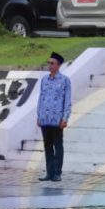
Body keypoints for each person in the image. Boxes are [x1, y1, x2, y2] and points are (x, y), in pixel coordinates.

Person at [37, 51, 72, 182]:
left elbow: (67, 101)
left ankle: (57, 173)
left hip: (57, 120)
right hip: (45, 119)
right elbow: (41, 98)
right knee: (47, 146)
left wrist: (65, 118)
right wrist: (38, 115)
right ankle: (49, 172)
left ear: (58, 65)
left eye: (52, 63)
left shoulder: (65, 81)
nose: (49, 65)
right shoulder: (44, 80)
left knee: (58, 146)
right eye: (48, 63)